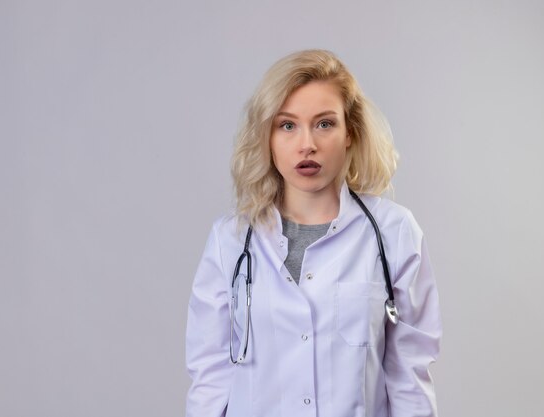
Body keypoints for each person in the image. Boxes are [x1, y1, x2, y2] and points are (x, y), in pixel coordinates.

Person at [185, 49, 442, 417]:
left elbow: (410, 378)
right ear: (268, 137)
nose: (307, 144)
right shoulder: (230, 239)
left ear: (350, 133)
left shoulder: (394, 233)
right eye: (287, 125)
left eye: (324, 124)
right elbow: (209, 378)